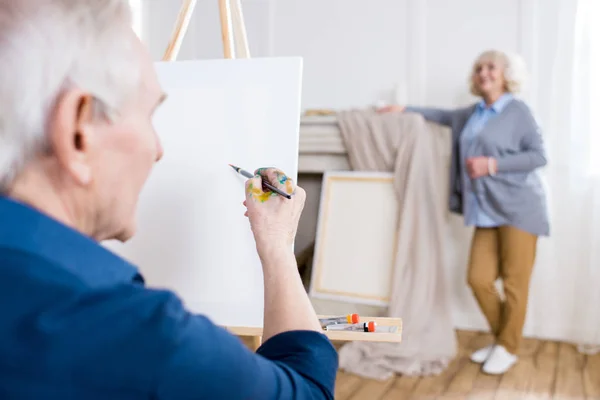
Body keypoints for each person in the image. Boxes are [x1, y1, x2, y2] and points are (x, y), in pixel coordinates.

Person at [0, 1, 337, 398]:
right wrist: (279, 247)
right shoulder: (136, 336)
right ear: (78, 130)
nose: (159, 149)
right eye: (148, 115)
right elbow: (308, 391)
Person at [379, 49, 549, 374]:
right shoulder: (471, 114)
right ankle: (504, 339)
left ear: (506, 74)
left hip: (521, 208)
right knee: (478, 278)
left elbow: (539, 156)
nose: (483, 72)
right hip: (487, 211)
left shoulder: (519, 111)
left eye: (491, 67)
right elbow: (439, 115)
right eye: (478, 68)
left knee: (515, 283)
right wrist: (403, 109)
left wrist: (492, 164)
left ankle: (508, 346)